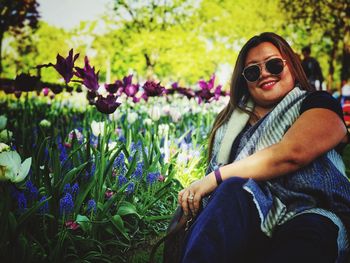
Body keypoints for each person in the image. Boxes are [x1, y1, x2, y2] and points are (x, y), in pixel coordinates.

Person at [178, 32, 350, 263]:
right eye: (253, 70)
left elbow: (293, 153)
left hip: (308, 213)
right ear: (244, 80)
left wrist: (214, 178)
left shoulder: (317, 102)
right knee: (232, 190)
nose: (265, 73)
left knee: (308, 236)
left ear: (291, 65)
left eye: (274, 64)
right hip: (246, 216)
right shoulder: (229, 125)